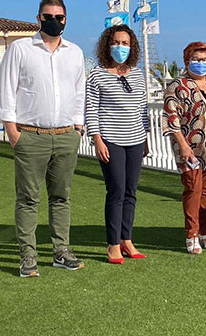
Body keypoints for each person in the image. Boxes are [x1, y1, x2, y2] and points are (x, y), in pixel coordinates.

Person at [0, 0, 86, 277]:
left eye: (59, 17)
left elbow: (79, 91)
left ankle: (61, 251)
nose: (54, 21)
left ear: (66, 20)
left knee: (61, 197)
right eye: (48, 17)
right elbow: (6, 89)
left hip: (66, 135)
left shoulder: (75, 52)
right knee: (28, 198)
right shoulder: (20, 49)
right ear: (38, 18)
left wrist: (78, 126)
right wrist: (12, 130)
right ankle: (28, 255)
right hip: (30, 135)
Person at [85, 24, 149, 264]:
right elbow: (91, 109)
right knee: (116, 191)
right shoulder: (97, 75)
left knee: (131, 192)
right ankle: (112, 244)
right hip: (111, 140)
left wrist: (145, 138)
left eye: (125, 43)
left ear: (131, 47)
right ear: (107, 45)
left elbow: (142, 109)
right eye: (116, 42)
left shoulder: (137, 74)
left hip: (135, 139)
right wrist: (97, 139)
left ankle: (126, 239)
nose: (120, 47)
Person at [162, 42, 206, 254]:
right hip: (190, 148)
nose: (200, 64)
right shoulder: (177, 86)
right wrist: (183, 146)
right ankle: (192, 234)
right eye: (196, 60)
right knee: (193, 190)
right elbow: (171, 120)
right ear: (187, 61)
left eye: (204, 60)